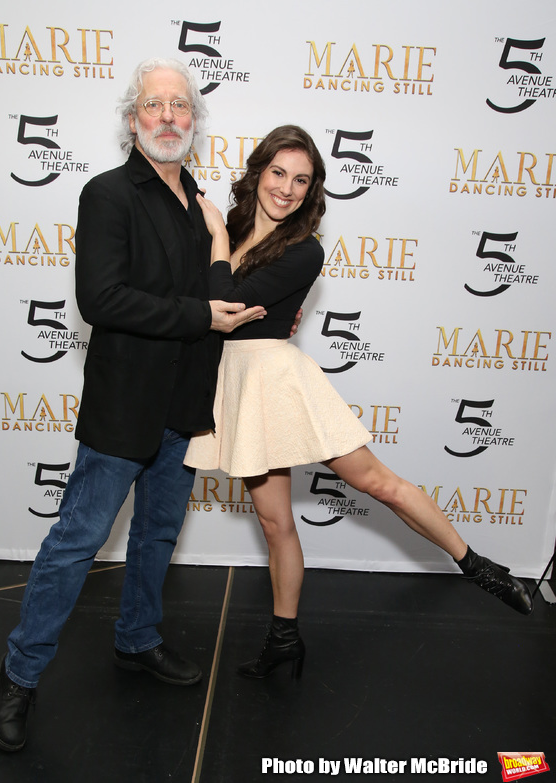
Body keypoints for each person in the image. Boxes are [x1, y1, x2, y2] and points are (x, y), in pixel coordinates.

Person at [184, 124, 534, 680]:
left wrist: (218, 253)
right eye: (279, 173)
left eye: (302, 180)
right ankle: (284, 638)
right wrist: (218, 254)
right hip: (239, 385)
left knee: (377, 482)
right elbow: (198, 304)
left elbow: (224, 302)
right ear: (258, 173)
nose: (287, 188)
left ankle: (479, 566)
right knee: (275, 525)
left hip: (279, 379)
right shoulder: (226, 228)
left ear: (312, 190)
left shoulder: (303, 251)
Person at [0, 57, 267, 752]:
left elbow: (218, 293)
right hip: (122, 410)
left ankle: (137, 639)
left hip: (184, 409)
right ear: (132, 118)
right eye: (154, 104)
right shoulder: (107, 194)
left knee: (155, 539)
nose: (169, 115)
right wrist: (203, 315)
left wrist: (241, 304)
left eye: (181, 105)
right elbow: (102, 299)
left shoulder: (202, 204)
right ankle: (20, 675)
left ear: (195, 122)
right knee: (76, 542)